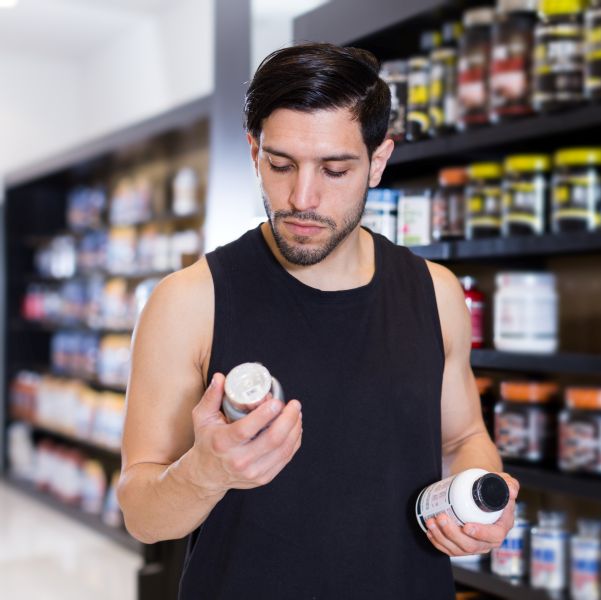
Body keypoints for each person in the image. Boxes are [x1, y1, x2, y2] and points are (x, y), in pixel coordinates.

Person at [116, 43, 519, 599]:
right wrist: (205, 473)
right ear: (254, 151)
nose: (302, 198)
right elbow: (142, 513)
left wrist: (479, 499)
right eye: (280, 165)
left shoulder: (435, 292)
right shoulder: (188, 301)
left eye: (335, 169)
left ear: (378, 161)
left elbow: (464, 437)